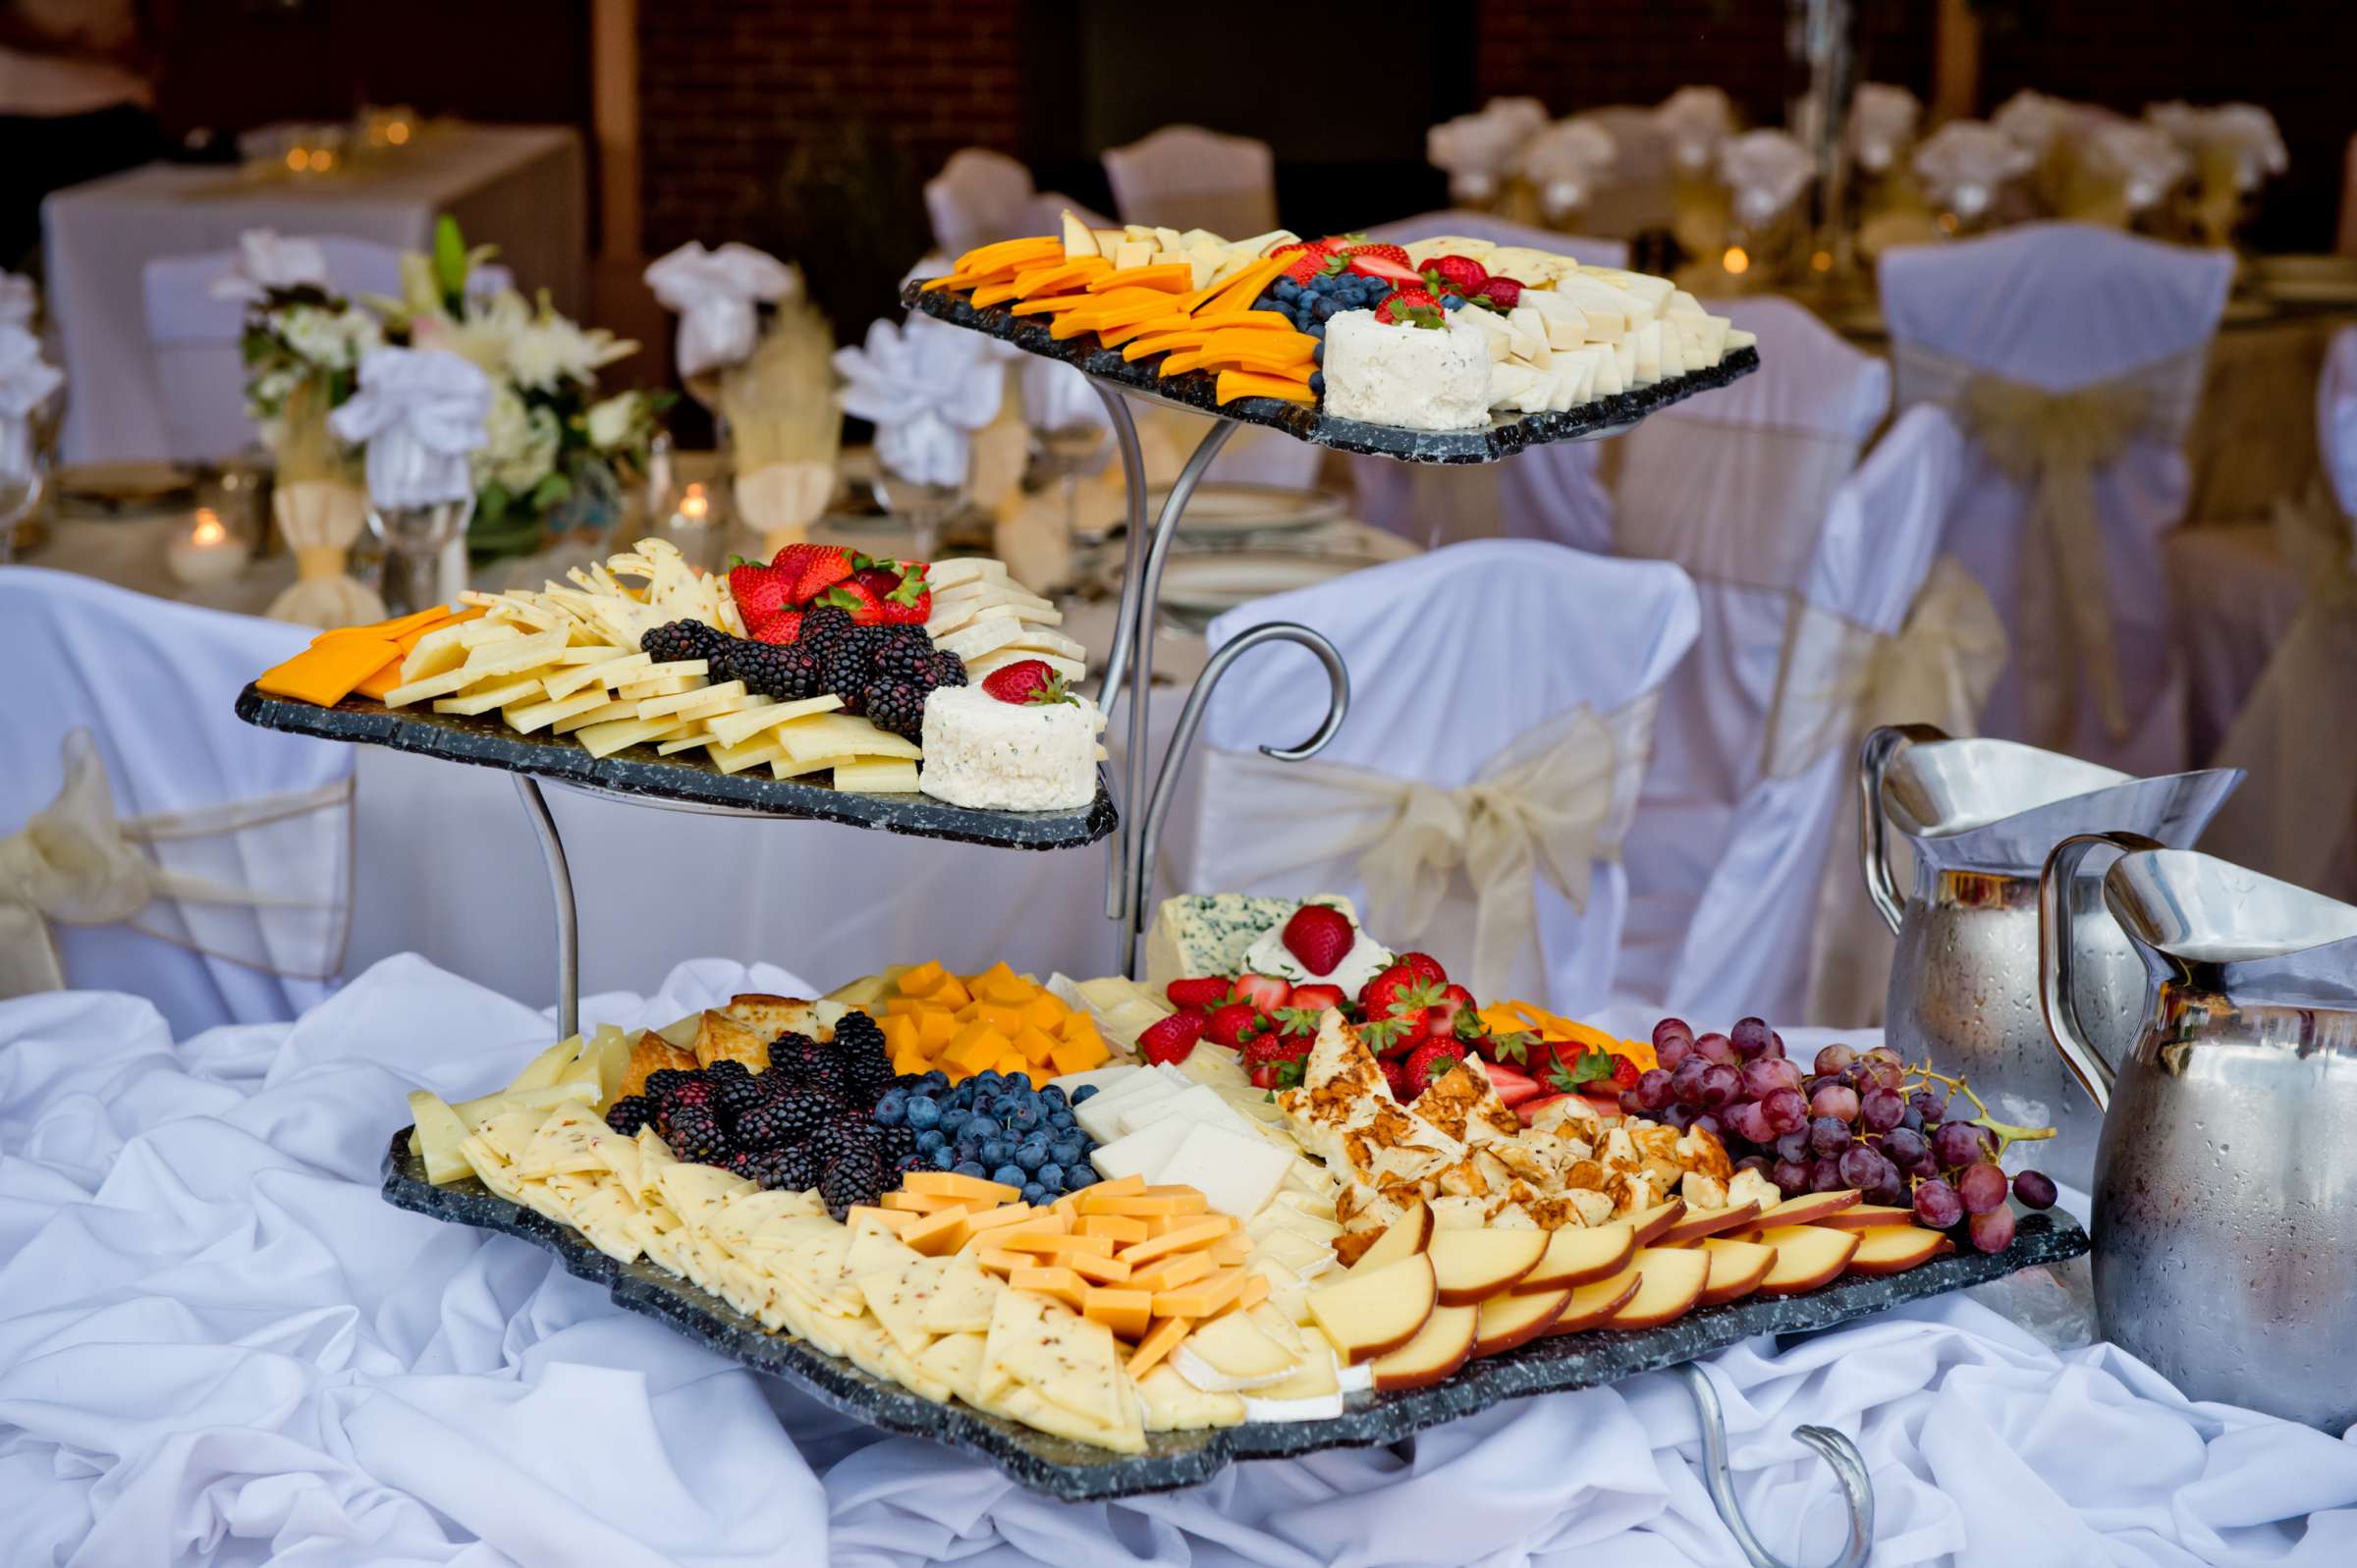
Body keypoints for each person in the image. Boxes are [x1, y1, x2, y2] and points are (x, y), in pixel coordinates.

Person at [0, 0, 163, 270]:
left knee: (126, 242)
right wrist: (70, 46)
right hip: (24, 106)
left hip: (118, 100)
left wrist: (148, 41)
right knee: (23, 258)